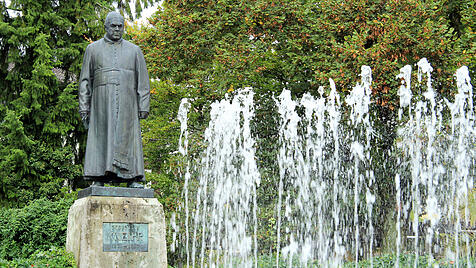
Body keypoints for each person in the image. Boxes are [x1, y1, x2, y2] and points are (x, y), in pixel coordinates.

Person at [78, 11, 150, 188]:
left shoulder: (134, 51)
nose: (117, 29)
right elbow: (85, 81)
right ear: (106, 27)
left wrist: (144, 105)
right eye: (113, 26)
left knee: (128, 140)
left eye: (120, 26)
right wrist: (84, 107)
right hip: (100, 105)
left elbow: (143, 81)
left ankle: (132, 178)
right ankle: (99, 176)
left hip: (128, 104)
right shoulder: (92, 49)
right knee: (101, 138)